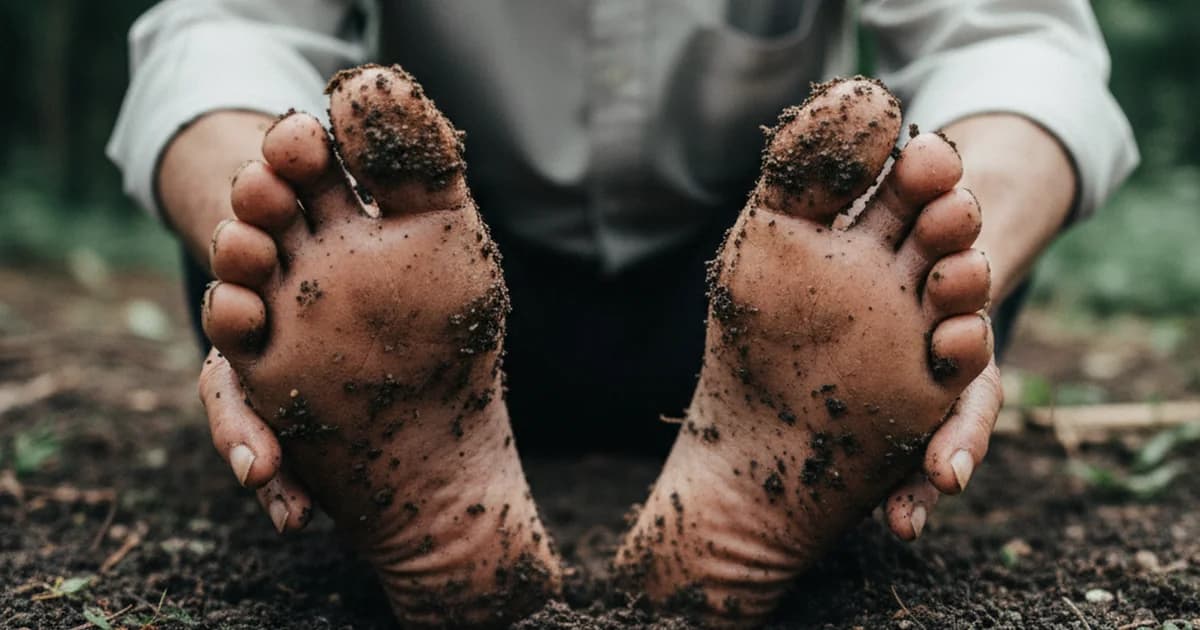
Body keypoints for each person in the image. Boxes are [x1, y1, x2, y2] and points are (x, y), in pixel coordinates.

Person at [107, 1, 1137, 625]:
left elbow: (1009, 41)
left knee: (931, 213)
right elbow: (230, 31)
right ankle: (334, 317)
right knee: (275, 197)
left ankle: (858, 342)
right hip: (442, 288)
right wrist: (256, 219)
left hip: (764, 295)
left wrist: (955, 242)